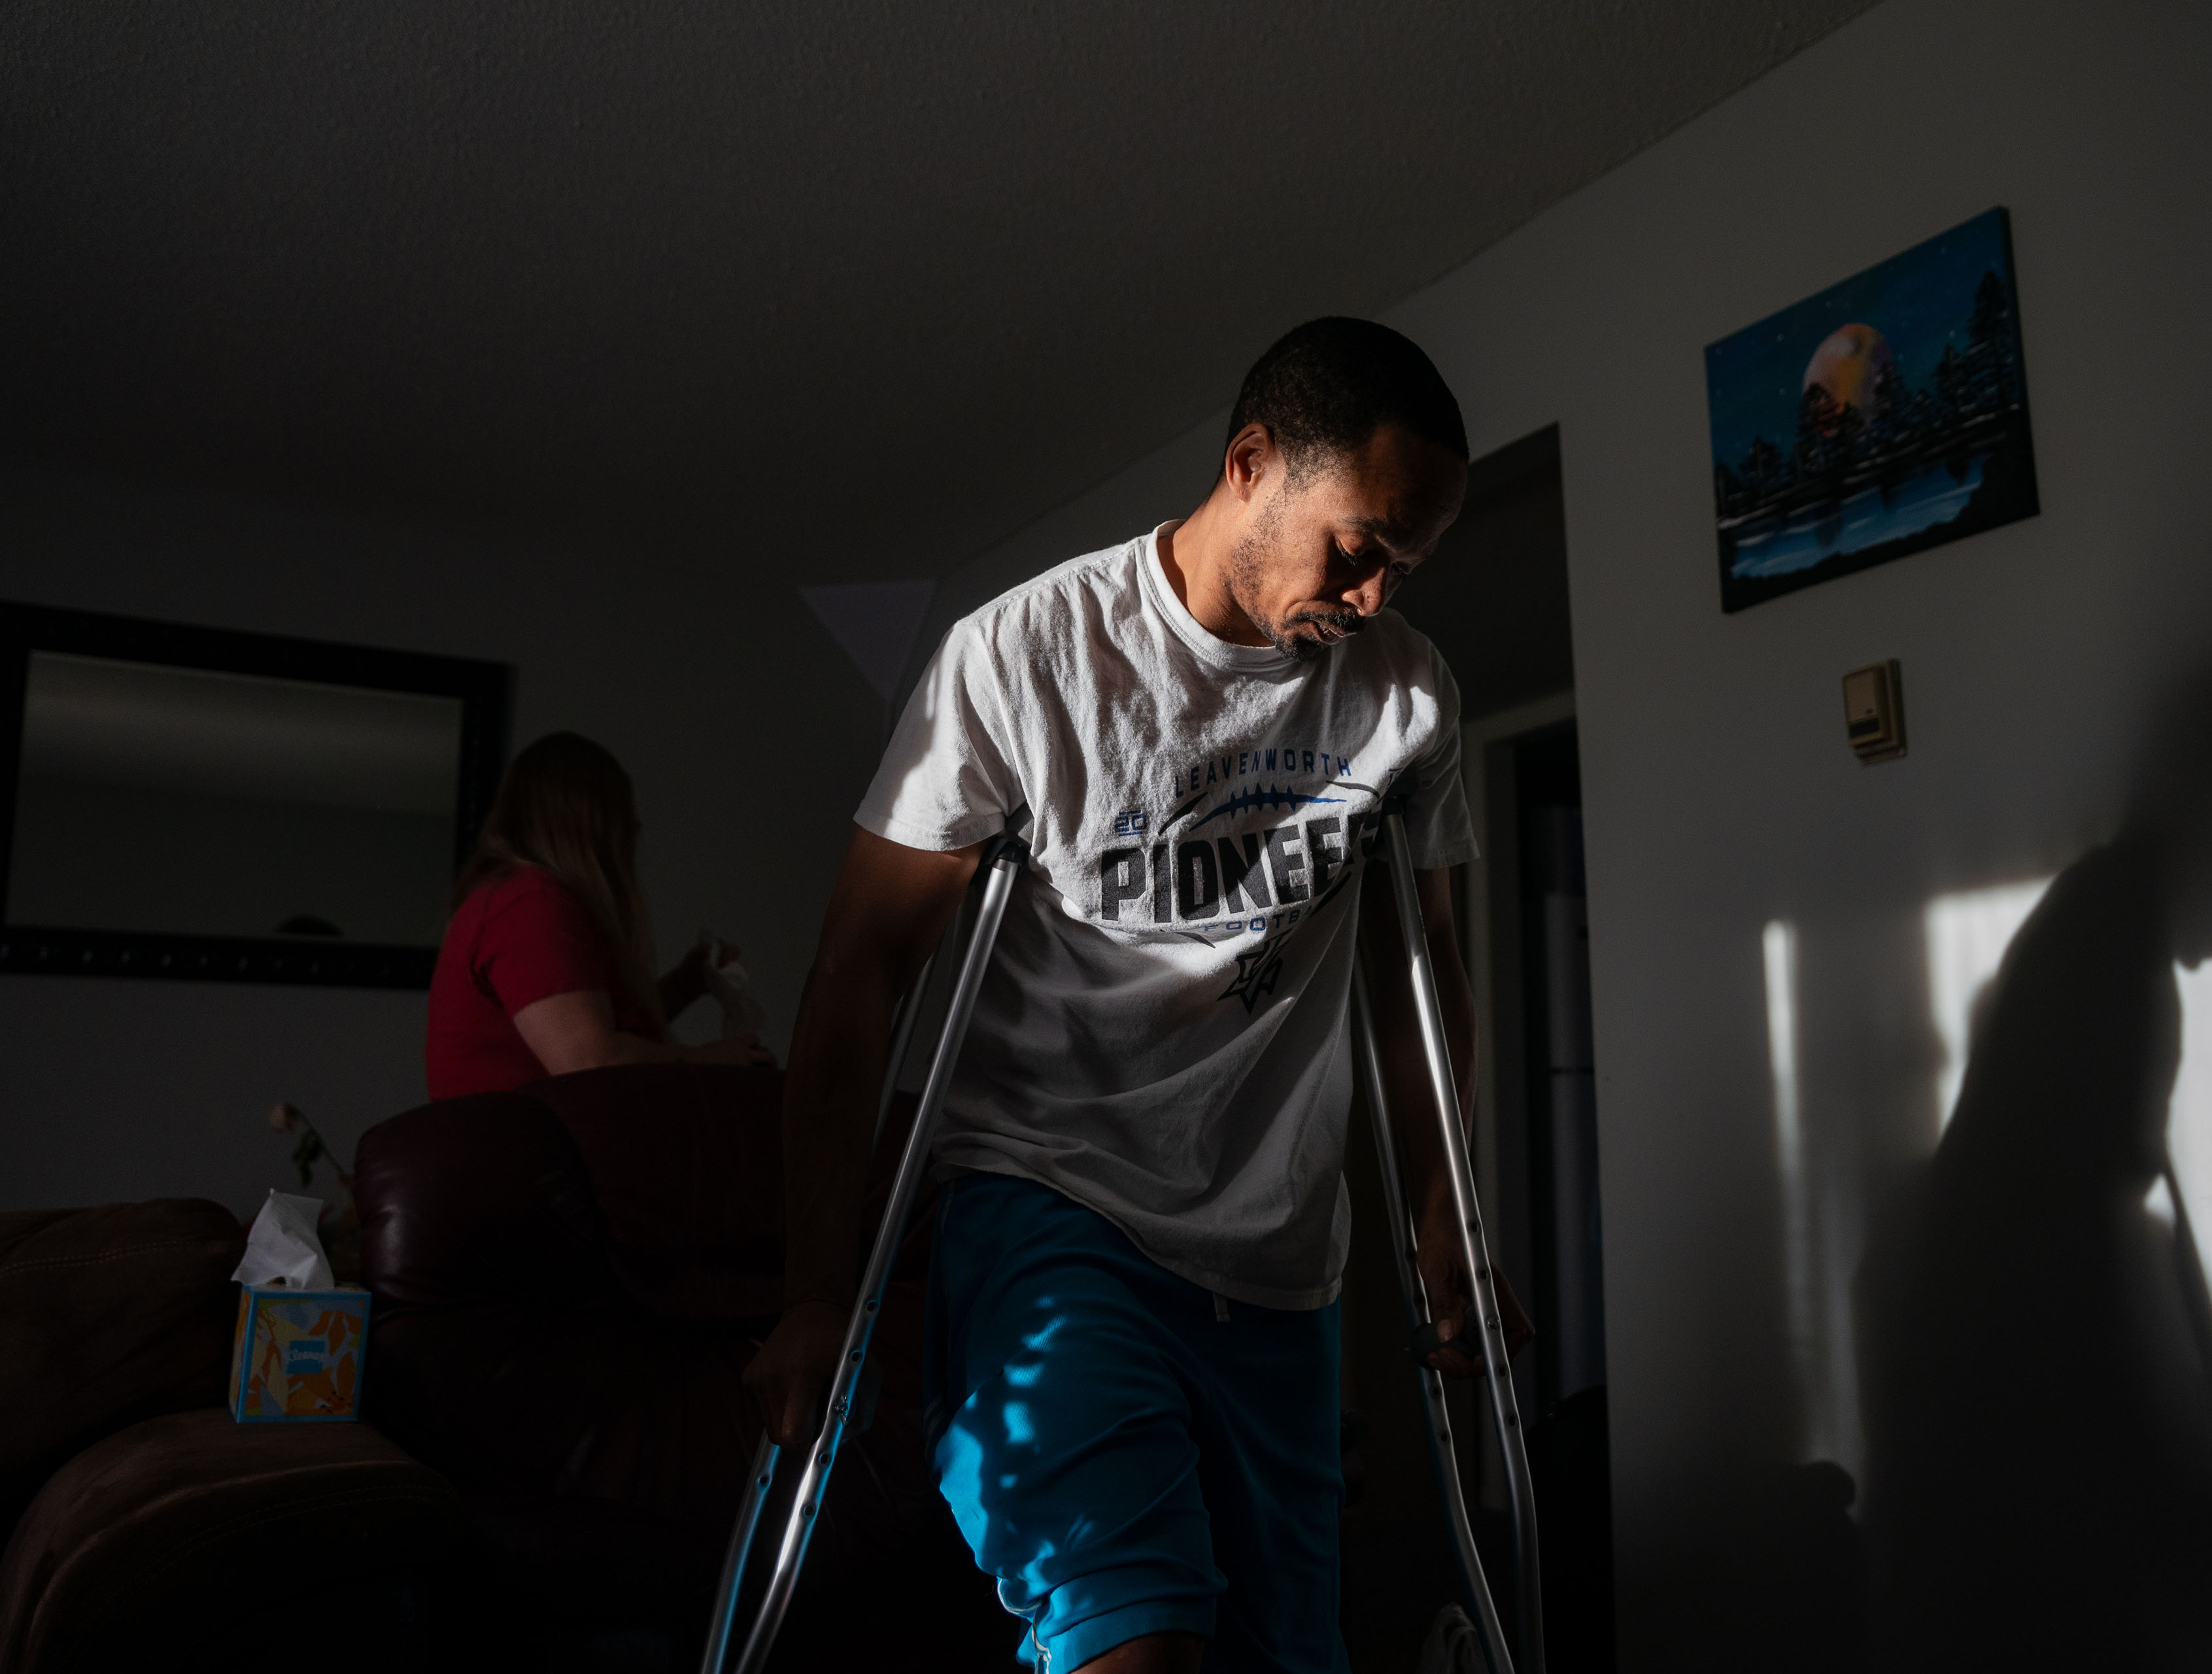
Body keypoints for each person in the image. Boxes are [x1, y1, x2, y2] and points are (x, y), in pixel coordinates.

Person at [747, 318, 1531, 1673]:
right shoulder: (1026, 657)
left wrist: (1446, 1232)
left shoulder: (1406, 695)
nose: (1371, 599)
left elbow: (1422, 976)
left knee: (1284, 1653)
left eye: (1404, 567)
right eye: (1357, 547)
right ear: (1251, 464)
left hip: (1281, 1255)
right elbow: (861, 969)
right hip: (1052, 1205)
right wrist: (815, 1286)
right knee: (1130, 1631)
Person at [425, 730, 774, 1099]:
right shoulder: (528, 903)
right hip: (523, 1136)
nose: (634, 834)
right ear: (598, 825)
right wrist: (705, 1061)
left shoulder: (518, 898)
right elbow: (589, 1061)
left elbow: (595, 1028)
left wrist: (684, 985)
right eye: (625, 821)